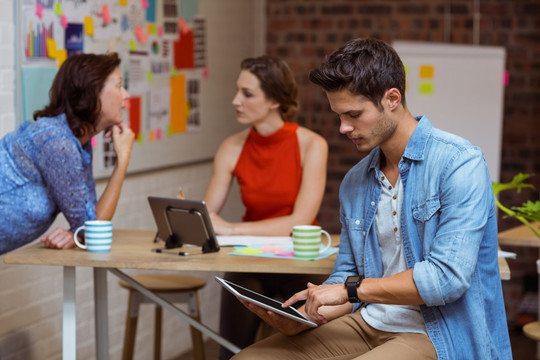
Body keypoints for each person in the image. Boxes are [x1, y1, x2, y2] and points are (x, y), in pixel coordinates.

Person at [231, 38, 512, 360]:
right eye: (338, 115)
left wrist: (350, 290)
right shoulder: (356, 180)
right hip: (370, 320)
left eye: (353, 114)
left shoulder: (458, 163)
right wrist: (309, 315)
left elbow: (446, 279)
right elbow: (348, 273)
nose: (343, 127)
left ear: (392, 98)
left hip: (440, 331)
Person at [202, 55, 328, 359]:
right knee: (231, 353)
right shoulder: (230, 147)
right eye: (237, 91)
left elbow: (300, 220)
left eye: (247, 94)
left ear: (274, 100)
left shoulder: (312, 145)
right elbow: (205, 214)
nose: (235, 100)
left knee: (315, 347)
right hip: (252, 261)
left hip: (299, 262)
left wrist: (231, 228)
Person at [0, 52, 134, 255]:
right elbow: (91, 230)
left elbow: (89, 227)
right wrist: (122, 160)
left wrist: (76, 233)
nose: (126, 95)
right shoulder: (57, 142)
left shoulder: (76, 140)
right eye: (118, 85)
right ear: (92, 92)